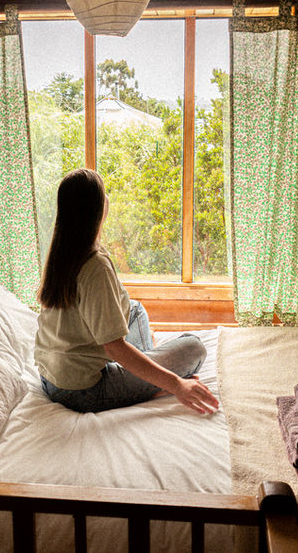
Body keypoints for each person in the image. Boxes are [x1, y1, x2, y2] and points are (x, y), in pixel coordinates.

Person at [35, 168, 220, 415]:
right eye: (104, 194)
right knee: (194, 347)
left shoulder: (61, 251)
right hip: (84, 392)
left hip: (51, 378)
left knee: (135, 310)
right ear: (97, 208)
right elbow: (114, 347)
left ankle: (144, 378)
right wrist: (175, 384)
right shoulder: (94, 265)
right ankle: (150, 385)